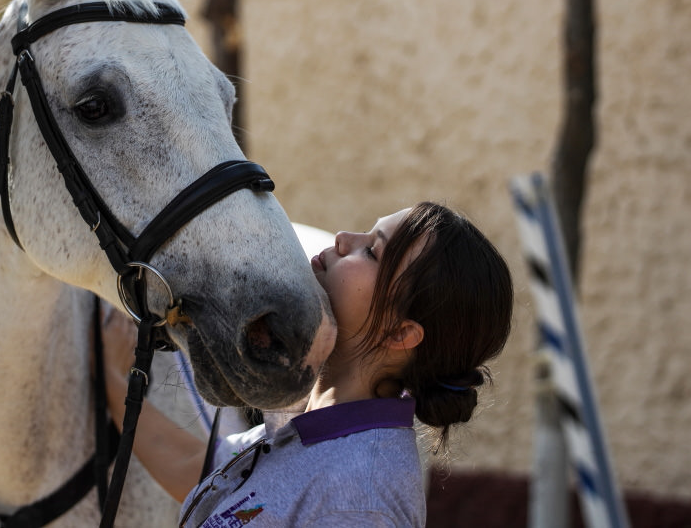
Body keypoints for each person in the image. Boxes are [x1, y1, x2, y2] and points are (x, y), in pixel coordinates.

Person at [102, 201, 514, 527]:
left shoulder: (359, 497)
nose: (341, 238)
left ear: (401, 334)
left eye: (370, 251)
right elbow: (197, 470)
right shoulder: (314, 421)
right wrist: (115, 380)